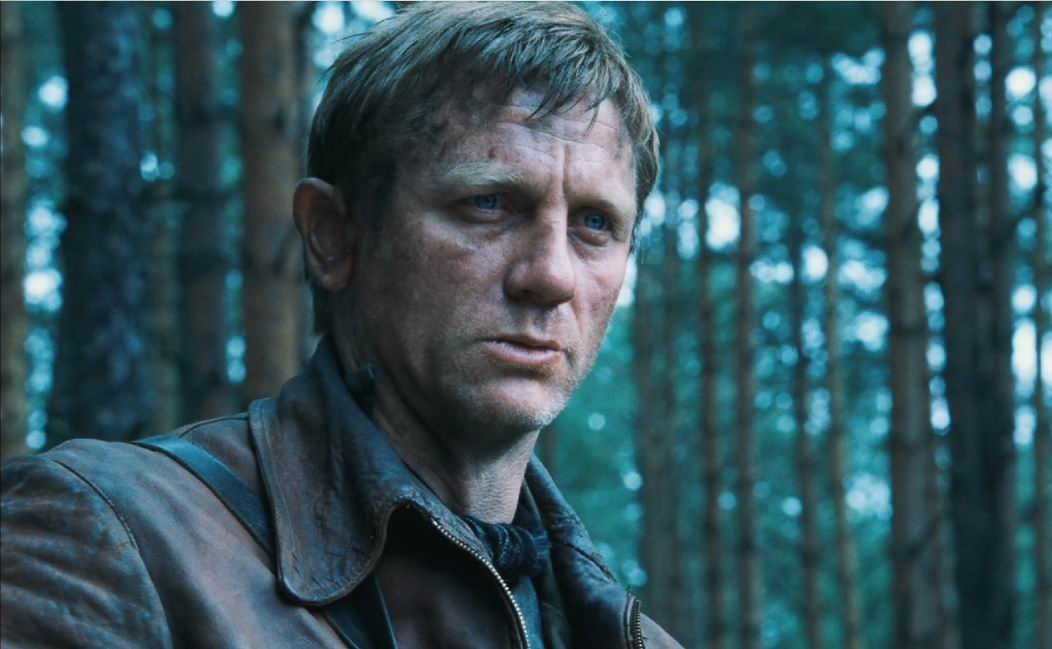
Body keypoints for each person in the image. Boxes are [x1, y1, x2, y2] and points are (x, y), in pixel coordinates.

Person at [0, 4, 681, 648]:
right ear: (332, 235)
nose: (552, 275)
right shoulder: (113, 537)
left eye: (596, 223)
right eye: (488, 203)